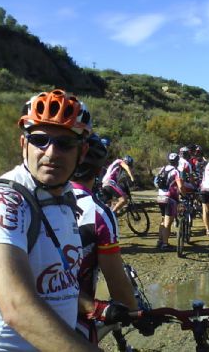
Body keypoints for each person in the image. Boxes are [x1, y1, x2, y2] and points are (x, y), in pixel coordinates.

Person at [0, 89, 96, 351]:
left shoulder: (64, 198)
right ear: (24, 145)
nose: (51, 152)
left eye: (65, 144)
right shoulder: (3, 201)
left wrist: (96, 307)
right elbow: (16, 307)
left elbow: (58, 281)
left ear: (83, 151)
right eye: (40, 140)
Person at [71, 133, 138, 343]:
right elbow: (117, 282)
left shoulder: (36, 199)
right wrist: (137, 315)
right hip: (72, 318)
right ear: (99, 171)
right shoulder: (97, 212)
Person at [155, 152, 184, 251]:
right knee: (168, 222)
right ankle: (165, 244)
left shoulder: (162, 169)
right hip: (170, 198)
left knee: (163, 220)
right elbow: (180, 185)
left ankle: (160, 240)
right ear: (177, 161)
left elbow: (155, 182)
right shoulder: (176, 171)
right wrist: (183, 193)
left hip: (160, 197)